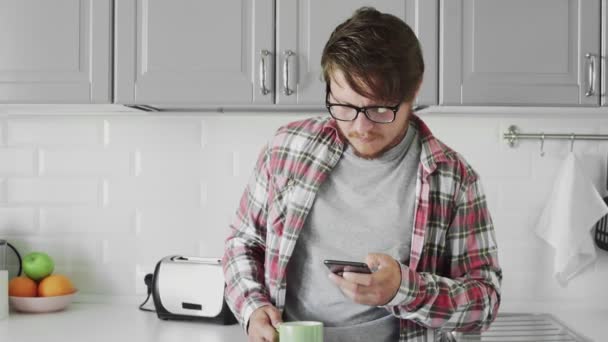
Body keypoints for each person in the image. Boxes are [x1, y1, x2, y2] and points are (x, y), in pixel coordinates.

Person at [222, 7, 502, 342]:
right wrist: (253, 308)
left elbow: (484, 301)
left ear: (414, 92)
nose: (360, 127)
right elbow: (243, 243)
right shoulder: (287, 149)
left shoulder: (454, 179)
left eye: (379, 109)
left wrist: (404, 288)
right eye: (344, 106)